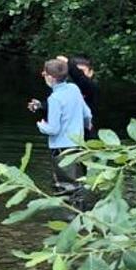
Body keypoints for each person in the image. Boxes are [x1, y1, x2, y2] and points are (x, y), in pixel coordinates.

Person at [29, 58, 92, 206]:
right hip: (79, 146)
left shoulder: (54, 98)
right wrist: (86, 127)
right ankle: (83, 216)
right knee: (78, 184)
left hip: (61, 149)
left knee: (64, 188)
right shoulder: (74, 89)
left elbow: (53, 129)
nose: (43, 75)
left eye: (44, 73)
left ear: (51, 78)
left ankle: (69, 220)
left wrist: (41, 125)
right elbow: (87, 114)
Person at [58, 54, 100, 134]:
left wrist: (69, 63)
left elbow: (80, 78)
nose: (76, 73)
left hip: (86, 131)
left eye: (81, 71)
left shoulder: (91, 87)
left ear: (90, 73)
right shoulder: (66, 88)